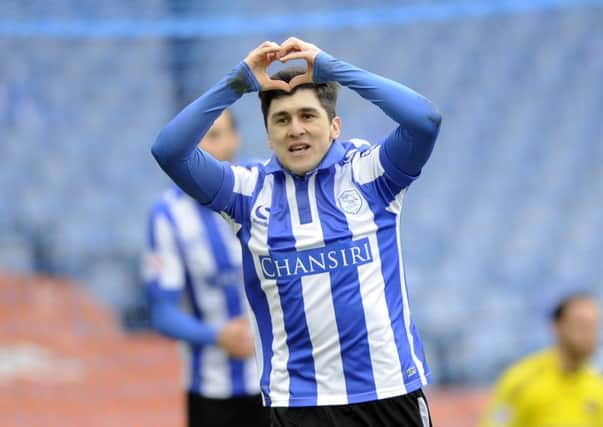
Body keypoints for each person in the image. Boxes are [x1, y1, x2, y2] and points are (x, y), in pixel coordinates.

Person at [152, 37, 442, 427]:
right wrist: (236, 82)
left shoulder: (371, 175)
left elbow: (424, 121)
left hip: (387, 392)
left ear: (334, 126)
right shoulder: (247, 192)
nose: (296, 129)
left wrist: (334, 68)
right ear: (268, 136)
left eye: (308, 115)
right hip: (299, 404)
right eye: (282, 120)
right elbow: (169, 151)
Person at [143, 110, 269, 427]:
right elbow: (162, 313)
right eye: (196, 139)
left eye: (214, 135)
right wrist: (217, 336)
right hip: (211, 391)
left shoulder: (265, 186)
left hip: (279, 383)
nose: (204, 148)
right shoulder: (167, 216)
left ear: (235, 138)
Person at [480, 293, 603, 427]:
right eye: (582, 325)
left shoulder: (597, 385)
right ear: (558, 327)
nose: (590, 334)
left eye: (594, 326)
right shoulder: (522, 381)